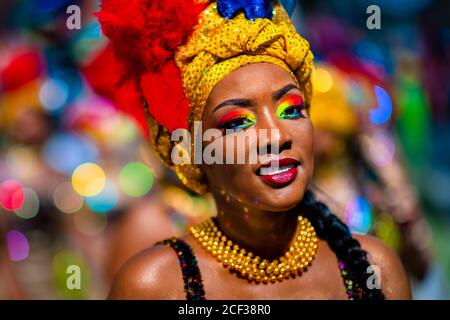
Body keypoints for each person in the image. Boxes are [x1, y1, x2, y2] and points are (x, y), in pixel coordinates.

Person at [97, 0, 411, 299]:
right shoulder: (155, 285)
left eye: (291, 110)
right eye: (237, 123)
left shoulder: (375, 268)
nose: (276, 135)